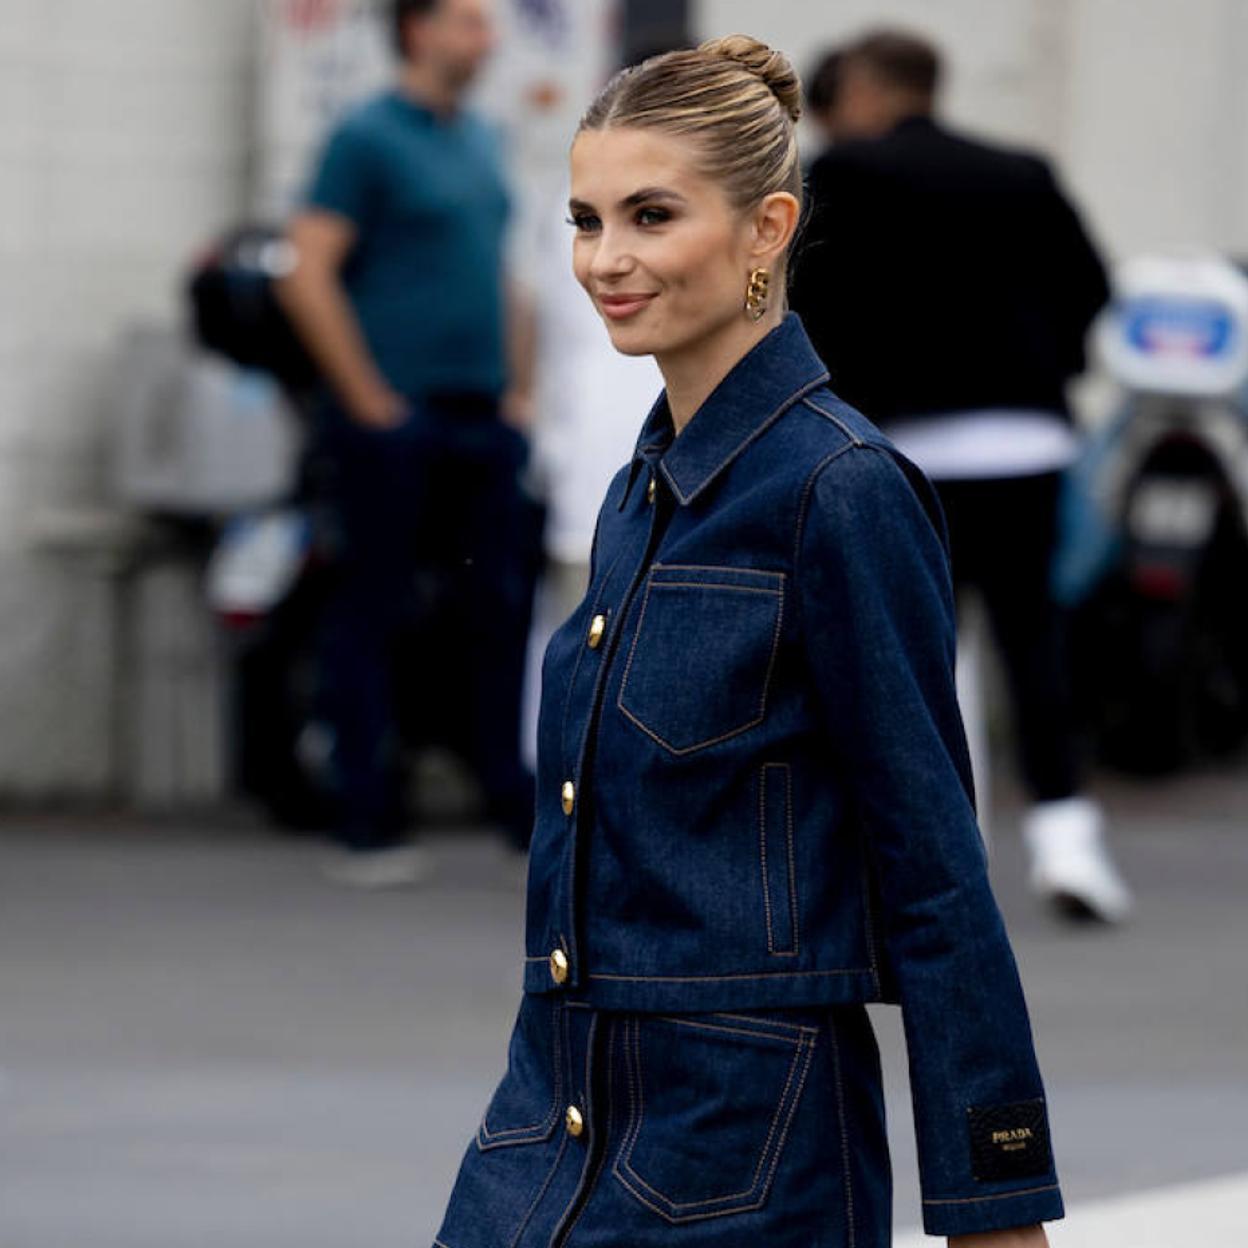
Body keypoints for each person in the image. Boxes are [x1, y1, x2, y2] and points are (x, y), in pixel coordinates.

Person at [434, 36, 1061, 1248]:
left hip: (745, 1162)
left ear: (768, 228)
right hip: (545, 1129)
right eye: (585, 221)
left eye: (651, 216)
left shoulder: (842, 489)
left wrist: (995, 1202)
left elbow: (934, 868)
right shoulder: (641, 490)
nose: (604, 260)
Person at [791, 28, 1133, 924]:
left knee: (912, 656)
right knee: (1032, 643)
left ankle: (939, 852)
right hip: (1028, 441)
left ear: (867, 89)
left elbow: (810, 304)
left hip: (909, 450)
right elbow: (1093, 289)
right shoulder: (1023, 172)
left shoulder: (846, 175)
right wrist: (1040, 361)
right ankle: (1069, 843)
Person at [277, 0, 538, 884]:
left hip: (482, 415)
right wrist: (368, 399)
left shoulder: (482, 139)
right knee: (373, 608)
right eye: (469, 21)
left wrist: (522, 390)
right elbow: (307, 272)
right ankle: (366, 814)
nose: (487, 39)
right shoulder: (365, 137)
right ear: (418, 31)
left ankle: (510, 800)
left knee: (496, 608)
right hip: (396, 418)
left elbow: (502, 273)